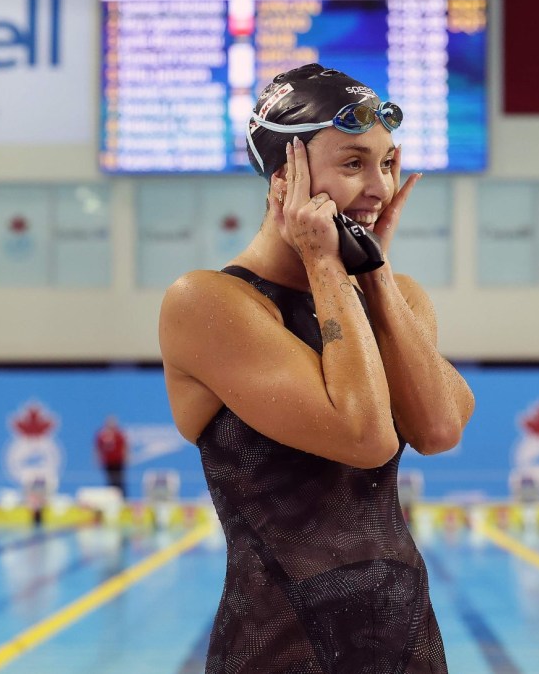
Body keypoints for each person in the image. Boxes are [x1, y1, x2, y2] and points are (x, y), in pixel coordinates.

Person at [159, 64, 474, 673]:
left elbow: (440, 430)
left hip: (409, 641)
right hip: (279, 643)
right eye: (353, 163)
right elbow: (366, 438)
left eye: (386, 164)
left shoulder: (397, 297)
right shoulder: (208, 303)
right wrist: (328, 267)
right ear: (285, 180)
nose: (380, 187)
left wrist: (375, 273)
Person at [94, 414, 128, 496]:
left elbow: (125, 447)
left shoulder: (119, 434)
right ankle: (112, 497)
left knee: (120, 481)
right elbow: (97, 449)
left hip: (118, 461)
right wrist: (97, 460)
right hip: (108, 461)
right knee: (110, 481)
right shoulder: (102, 435)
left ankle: (123, 498)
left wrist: (125, 458)